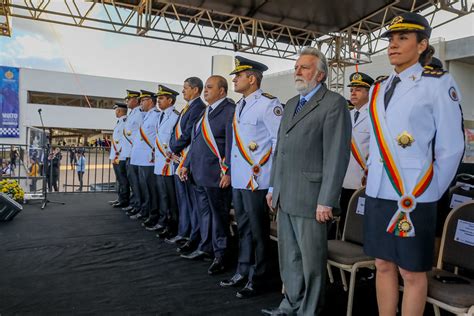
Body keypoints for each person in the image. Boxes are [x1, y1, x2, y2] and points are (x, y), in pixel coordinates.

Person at [363, 12, 464, 316]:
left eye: (402, 38)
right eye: (391, 39)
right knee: (382, 264)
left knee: (411, 271)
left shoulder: (437, 83)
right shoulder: (378, 88)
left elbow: (452, 146)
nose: (393, 45)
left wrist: (429, 190)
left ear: (422, 45)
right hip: (379, 189)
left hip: (414, 194)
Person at [263, 47, 352, 315]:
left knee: (312, 261)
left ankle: (309, 310)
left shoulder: (333, 103)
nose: (297, 71)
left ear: (321, 74)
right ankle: (290, 304)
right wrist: (272, 186)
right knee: (289, 257)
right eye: (296, 67)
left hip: (312, 198)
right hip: (286, 193)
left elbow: (336, 155)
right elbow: (280, 151)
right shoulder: (290, 104)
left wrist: (327, 199)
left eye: (304, 67)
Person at [219, 56, 283, 299]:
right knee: (244, 227)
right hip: (240, 178)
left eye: (239, 75)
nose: (234, 79)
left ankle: (261, 277)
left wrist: (272, 182)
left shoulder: (269, 105)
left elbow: (278, 143)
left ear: (252, 79)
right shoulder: (241, 105)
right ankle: (243, 271)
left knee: (258, 231)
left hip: (258, 180)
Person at [179, 75, 235, 276]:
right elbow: (196, 141)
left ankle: (221, 255)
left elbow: (231, 144)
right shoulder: (206, 112)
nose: (206, 90)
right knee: (205, 215)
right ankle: (206, 247)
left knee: (219, 218)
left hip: (216, 175)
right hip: (199, 173)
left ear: (222, 91)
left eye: (210, 87)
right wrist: (186, 164)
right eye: (206, 87)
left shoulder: (229, 110)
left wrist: (227, 171)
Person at [169, 77, 206, 253]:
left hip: (188, 160)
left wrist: (175, 147)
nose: (183, 91)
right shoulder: (187, 107)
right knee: (184, 200)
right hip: (180, 157)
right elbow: (175, 131)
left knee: (193, 203)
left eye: (186, 88)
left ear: (196, 89)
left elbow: (189, 133)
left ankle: (193, 235)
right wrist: (172, 147)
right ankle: (184, 232)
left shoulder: (199, 107)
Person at [337, 72, 374, 237]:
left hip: (363, 182)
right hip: (345, 179)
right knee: (344, 224)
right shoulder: (347, 115)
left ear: (369, 92)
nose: (353, 93)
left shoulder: (374, 116)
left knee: (360, 227)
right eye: (352, 89)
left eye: (358, 90)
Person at [152, 85, 180, 239]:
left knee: (171, 198)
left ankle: (173, 226)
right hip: (159, 161)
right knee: (163, 196)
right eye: (158, 98)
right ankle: (164, 222)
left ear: (170, 100)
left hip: (169, 163)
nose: (158, 101)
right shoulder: (160, 116)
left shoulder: (175, 116)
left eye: (161, 98)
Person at [130, 90, 160, 222]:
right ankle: (145, 212)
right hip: (141, 159)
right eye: (141, 100)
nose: (141, 103)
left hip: (149, 159)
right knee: (144, 188)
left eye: (144, 100)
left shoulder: (157, 115)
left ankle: (152, 215)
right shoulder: (147, 115)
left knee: (151, 191)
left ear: (151, 101)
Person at [122, 90, 145, 216]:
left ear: (136, 100)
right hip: (128, 153)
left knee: (137, 183)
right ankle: (135, 204)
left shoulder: (140, 114)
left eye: (129, 99)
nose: (127, 101)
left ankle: (139, 206)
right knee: (133, 182)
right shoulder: (133, 113)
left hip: (135, 153)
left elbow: (142, 135)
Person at [109, 102, 130, 208]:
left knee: (123, 180)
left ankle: (124, 200)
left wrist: (117, 155)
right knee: (119, 179)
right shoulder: (120, 122)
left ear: (120, 111)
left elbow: (124, 141)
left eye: (116, 110)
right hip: (116, 156)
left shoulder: (126, 122)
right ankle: (120, 198)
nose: (115, 112)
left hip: (121, 156)